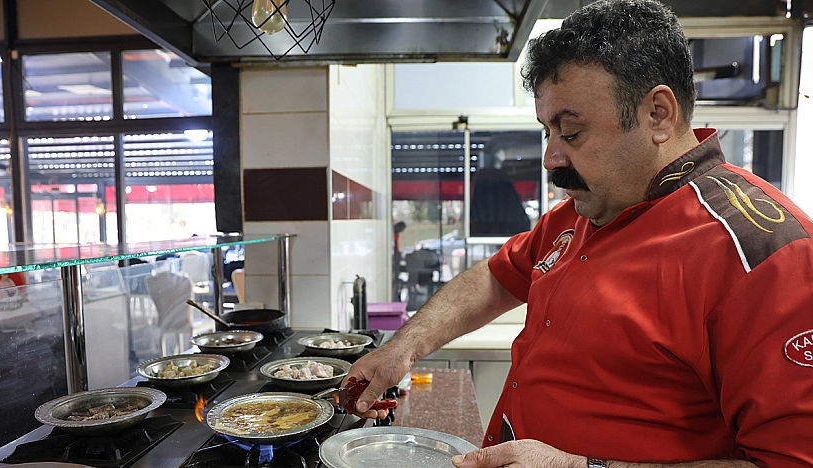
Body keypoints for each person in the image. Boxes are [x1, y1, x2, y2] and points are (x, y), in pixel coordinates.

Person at [344, 0, 813, 466]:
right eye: (547, 132)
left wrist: (579, 467)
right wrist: (404, 348)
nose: (551, 159)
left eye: (570, 132)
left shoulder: (766, 254)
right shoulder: (582, 211)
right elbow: (496, 279)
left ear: (658, 114)